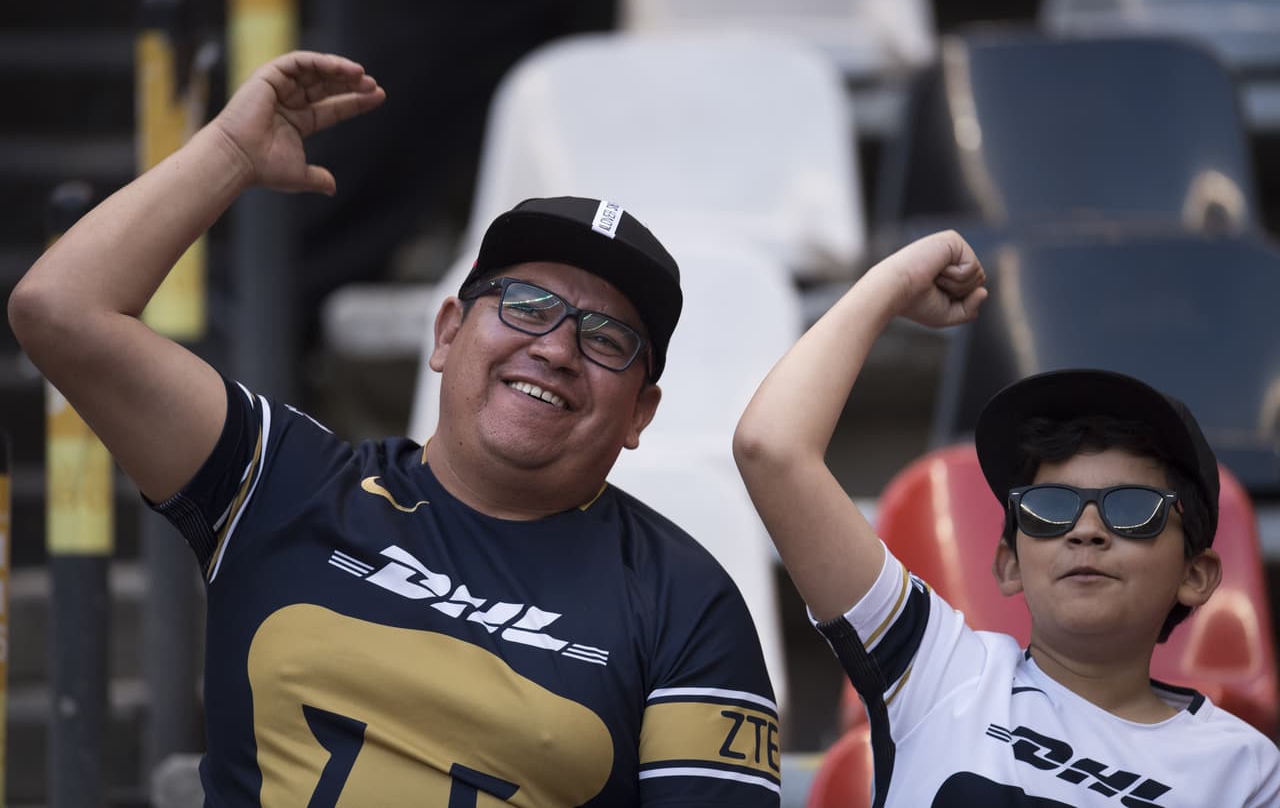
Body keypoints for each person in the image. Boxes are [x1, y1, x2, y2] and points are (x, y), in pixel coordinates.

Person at [9, 50, 780, 805]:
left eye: (606, 338)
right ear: (445, 333)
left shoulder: (685, 597)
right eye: (526, 305)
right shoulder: (284, 483)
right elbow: (58, 311)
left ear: (640, 411)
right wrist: (231, 152)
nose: (555, 348)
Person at [733, 229, 1280, 806]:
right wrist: (892, 285)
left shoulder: (1246, 771)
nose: (1086, 530)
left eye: (1129, 508)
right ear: (1008, 563)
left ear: (1196, 575)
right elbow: (771, 448)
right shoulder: (939, 671)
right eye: (1048, 509)